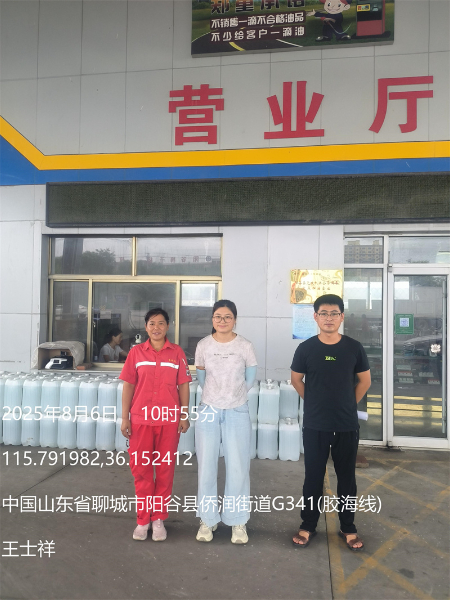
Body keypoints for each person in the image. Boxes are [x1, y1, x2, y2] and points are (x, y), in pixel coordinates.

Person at [290, 294, 371, 551]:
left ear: (342, 317)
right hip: (316, 425)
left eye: (334, 313)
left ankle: (348, 527)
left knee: (347, 479)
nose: (329, 318)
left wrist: (348, 404)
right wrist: (314, 402)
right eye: (323, 313)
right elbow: (296, 380)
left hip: (346, 425)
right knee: (313, 478)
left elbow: (365, 381)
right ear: (315, 317)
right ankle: (308, 525)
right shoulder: (306, 348)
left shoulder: (354, 347)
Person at [119, 309, 192, 542]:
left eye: (161, 323)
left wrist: (184, 415)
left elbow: (183, 385)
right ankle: (143, 520)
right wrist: (124, 417)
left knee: (164, 470)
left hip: (169, 421)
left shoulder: (177, 353)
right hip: (140, 421)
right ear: (146, 327)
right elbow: (129, 385)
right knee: (141, 471)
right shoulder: (136, 353)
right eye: (152, 323)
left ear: (168, 326)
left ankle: (158, 518)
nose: (156, 327)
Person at [194, 300, 257, 544]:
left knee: (238, 466)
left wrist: (234, 396)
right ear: (212, 319)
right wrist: (216, 396)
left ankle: (237, 520)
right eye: (218, 317)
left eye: (227, 317)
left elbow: (249, 378)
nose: (222, 321)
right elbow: (202, 378)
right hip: (209, 409)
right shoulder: (203, 345)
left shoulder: (245, 346)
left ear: (235, 320)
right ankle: (207, 520)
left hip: (237, 410)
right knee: (206, 467)